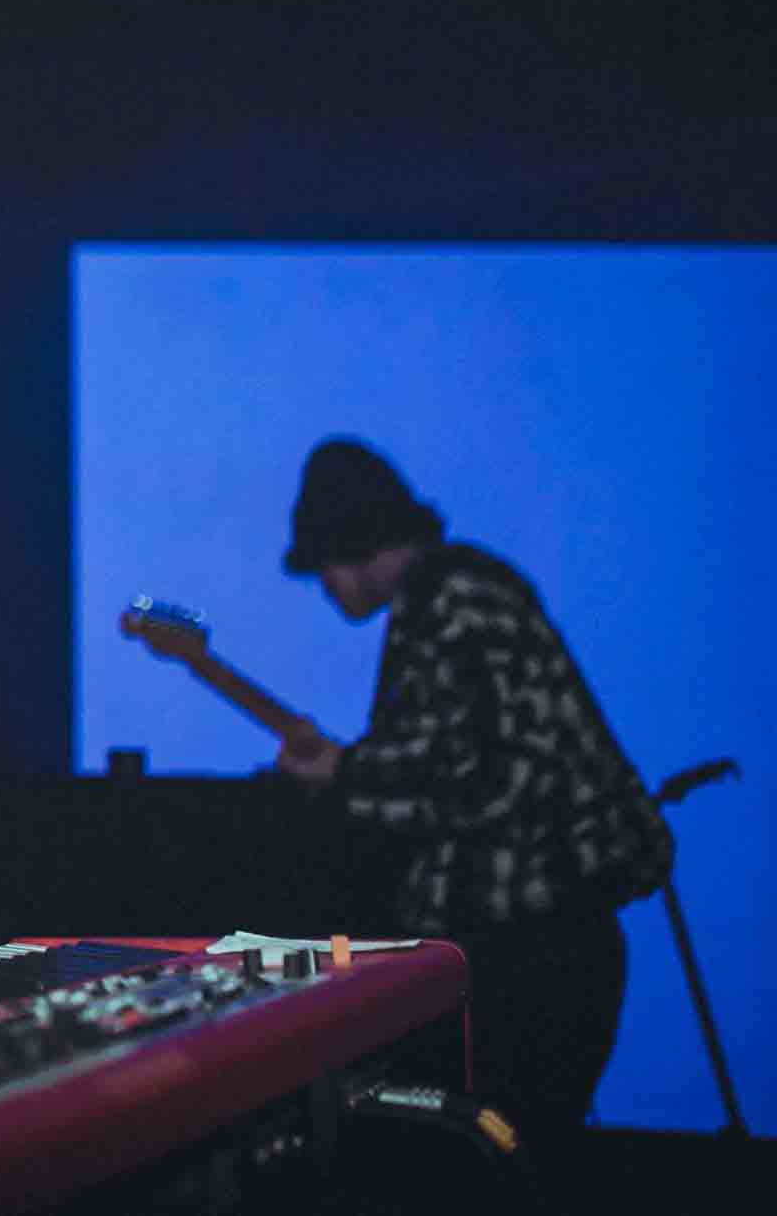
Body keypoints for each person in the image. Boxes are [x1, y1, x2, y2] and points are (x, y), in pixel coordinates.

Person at [269, 437, 673, 1154]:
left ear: (345, 544)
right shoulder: (456, 595)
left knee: (490, 1155)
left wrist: (345, 772)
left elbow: (480, 775)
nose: (324, 588)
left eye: (321, 566)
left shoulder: (453, 597)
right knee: (506, 1157)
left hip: (533, 957)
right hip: (537, 948)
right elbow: (468, 767)